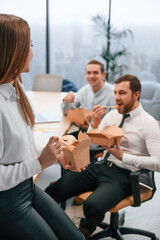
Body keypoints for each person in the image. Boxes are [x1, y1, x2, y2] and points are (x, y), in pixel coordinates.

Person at [0, 14, 85, 240]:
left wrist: (54, 156)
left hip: (25, 187)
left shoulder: (15, 92)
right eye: (30, 45)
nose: (33, 52)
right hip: (6, 200)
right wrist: (39, 163)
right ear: (13, 50)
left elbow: (17, 149)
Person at [45, 75, 160, 239]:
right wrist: (95, 124)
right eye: (115, 92)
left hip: (125, 175)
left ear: (136, 94)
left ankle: (86, 228)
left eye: (122, 93)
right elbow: (92, 145)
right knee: (52, 192)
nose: (117, 98)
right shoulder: (113, 115)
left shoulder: (149, 124)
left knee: (92, 205)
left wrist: (123, 156)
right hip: (101, 165)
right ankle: (50, 230)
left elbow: (158, 163)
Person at [61, 59, 115, 130]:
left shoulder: (113, 93)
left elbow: (116, 121)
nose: (91, 76)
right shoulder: (84, 90)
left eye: (95, 73)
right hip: (84, 132)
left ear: (103, 75)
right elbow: (66, 112)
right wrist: (66, 101)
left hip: (103, 134)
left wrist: (93, 127)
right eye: (88, 73)